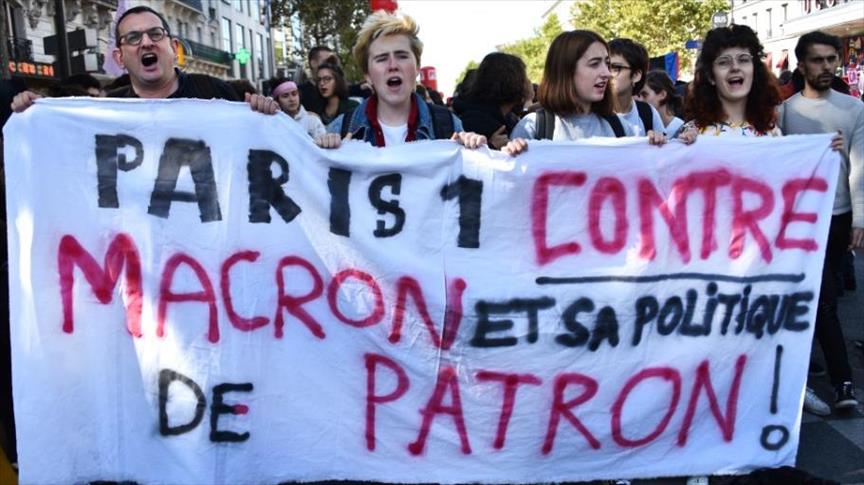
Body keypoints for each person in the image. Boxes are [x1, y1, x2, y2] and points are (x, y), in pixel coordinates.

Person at [777, 30, 862, 413]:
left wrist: (860, 218)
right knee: (815, 299)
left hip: (837, 219)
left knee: (824, 298)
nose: (827, 66)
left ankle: (834, 377)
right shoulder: (784, 112)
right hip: (797, 222)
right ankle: (837, 381)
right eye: (817, 59)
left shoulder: (854, 108)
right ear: (801, 65)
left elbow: (859, 167)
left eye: (832, 59)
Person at [11, 6, 278, 114]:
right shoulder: (109, 110)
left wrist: (263, 115)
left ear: (173, 47)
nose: (146, 42)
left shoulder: (214, 92)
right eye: (133, 37)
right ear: (119, 58)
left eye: (155, 34)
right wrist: (33, 114)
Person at [318, 11, 485, 149]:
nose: (393, 65)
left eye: (402, 56)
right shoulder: (341, 129)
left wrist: (475, 151)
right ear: (367, 75)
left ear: (417, 66)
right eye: (382, 59)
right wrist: (325, 152)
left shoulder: (447, 125)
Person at [504, 30, 669, 155]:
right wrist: (509, 155)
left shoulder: (619, 127)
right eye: (594, 64)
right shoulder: (533, 128)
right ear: (566, 71)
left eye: (608, 64)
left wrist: (657, 149)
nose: (606, 73)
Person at [682, 25, 782, 137]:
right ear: (711, 76)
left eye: (743, 60)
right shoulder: (693, 134)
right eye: (723, 62)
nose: (735, 67)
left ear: (754, 71)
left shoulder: (771, 131)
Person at [452, 52, 531, 149]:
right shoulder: (476, 122)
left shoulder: (508, 118)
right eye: (524, 77)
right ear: (512, 82)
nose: (528, 82)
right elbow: (467, 155)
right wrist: (490, 146)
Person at [608, 38, 665, 136]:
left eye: (616, 68)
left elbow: (664, 144)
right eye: (605, 66)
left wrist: (658, 140)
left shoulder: (648, 113)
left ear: (636, 75)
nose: (607, 74)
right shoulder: (591, 113)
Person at [638, 70, 684, 136]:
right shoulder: (642, 126)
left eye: (644, 94)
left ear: (662, 94)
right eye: (639, 95)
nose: (640, 99)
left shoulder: (681, 131)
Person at [315, 61, 359, 126]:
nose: (321, 83)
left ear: (338, 81)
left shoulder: (352, 106)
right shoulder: (317, 108)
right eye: (319, 80)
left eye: (327, 79)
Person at [299, 45, 335, 114]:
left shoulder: (338, 89)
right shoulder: (299, 93)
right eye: (327, 61)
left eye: (332, 62)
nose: (331, 65)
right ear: (313, 63)